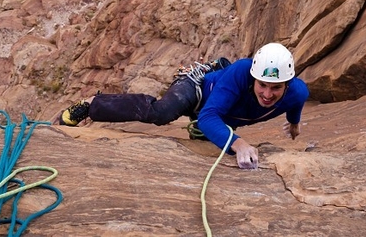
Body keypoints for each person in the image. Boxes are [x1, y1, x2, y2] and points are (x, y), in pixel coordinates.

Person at [57, 43, 309, 169]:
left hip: (226, 111)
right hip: (199, 90)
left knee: (208, 135)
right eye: (262, 85)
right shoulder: (242, 71)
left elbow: (295, 106)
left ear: (287, 84)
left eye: (276, 88)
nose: (267, 94)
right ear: (254, 77)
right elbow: (209, 117)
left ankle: (198, 132)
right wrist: (239, 143)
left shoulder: (297, 92)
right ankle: (92, 105)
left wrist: (294, 124)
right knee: (163, 112)